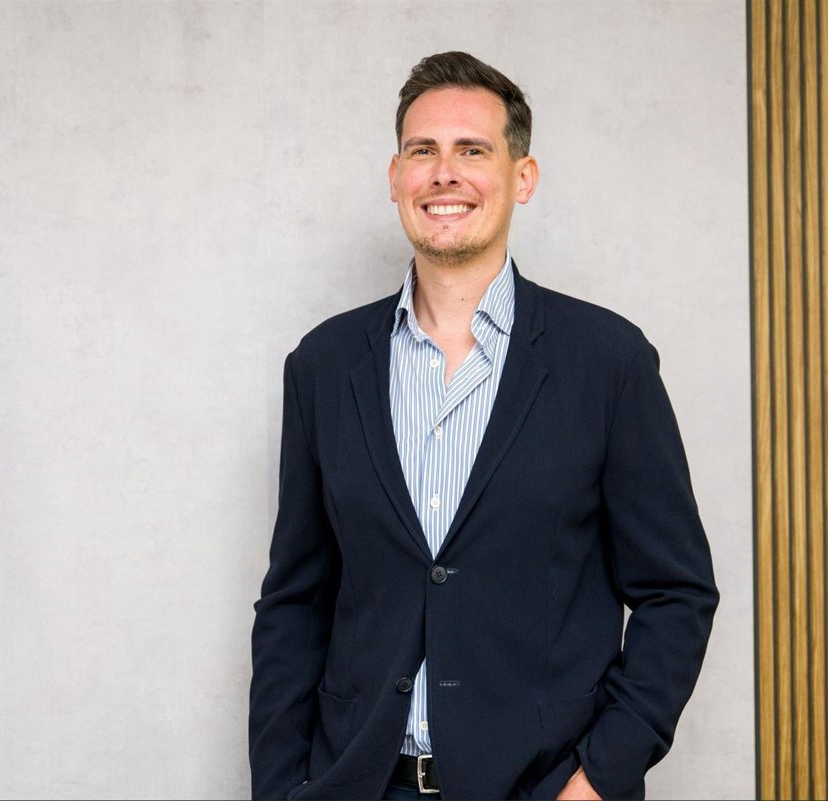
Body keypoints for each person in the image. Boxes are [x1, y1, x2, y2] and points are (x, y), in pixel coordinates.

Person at [249, 51, 718, 801]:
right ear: (395, 177)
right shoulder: (323, 366)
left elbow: (677, 593)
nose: (445, 174)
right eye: (422, 151)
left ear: (522, 177)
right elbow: (293, 603)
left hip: (545, 787)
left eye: (472, 150)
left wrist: (599, 778)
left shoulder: (608, 361)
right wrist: (280, 789)